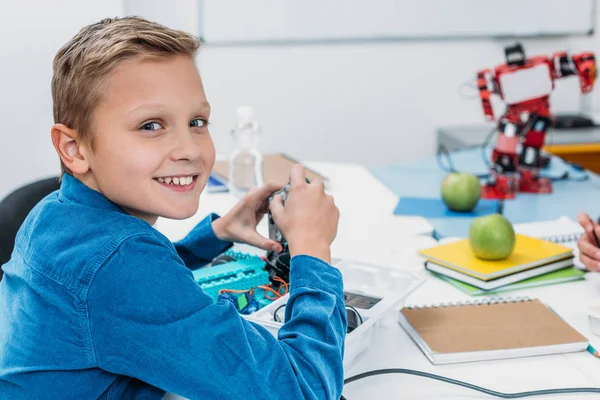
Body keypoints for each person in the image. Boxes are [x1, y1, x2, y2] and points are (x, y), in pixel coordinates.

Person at [0, 16, 345, 399]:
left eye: (197, 121)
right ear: (74, 149)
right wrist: (313, 250)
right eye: (151, 125)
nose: (189, 149)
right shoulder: (121, 266)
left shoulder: (53, 213)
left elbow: (123, 285)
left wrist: (215, 235)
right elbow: (302, 390)